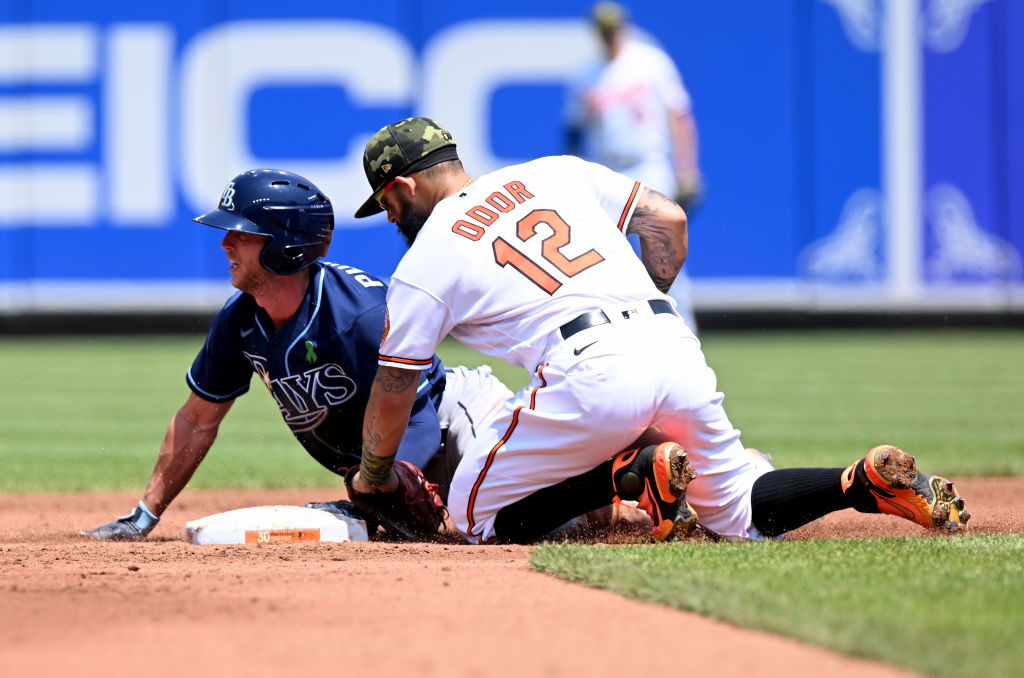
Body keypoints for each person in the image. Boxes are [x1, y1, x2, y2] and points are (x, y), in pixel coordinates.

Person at [347, 116, 970, 545]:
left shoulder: (427, 256)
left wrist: (373, 474)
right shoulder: (551, 172)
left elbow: (397, 383)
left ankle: (630, 474)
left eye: (387, 203)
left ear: (401, 185)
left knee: (472, 510)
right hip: (672, 344)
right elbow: (667, 218)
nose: (391, 217)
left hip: (587, 369)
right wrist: (645, 308)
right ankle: (857, 483)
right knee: (742, 510)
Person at [80, 169, 449, 541]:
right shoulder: (239, 320)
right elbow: (196, 421)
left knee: (501, 526)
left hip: (453, 430)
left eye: (241, 233)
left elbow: (419, 418)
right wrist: (144, 515)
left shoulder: (358, 317)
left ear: (286, 246)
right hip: (385, 473)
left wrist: (376, 489)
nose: (225, 243)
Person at [565, 1, 703, 331]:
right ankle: (627, 336)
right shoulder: (586, 74)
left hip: (649, 166)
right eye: (604, 29)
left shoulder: (650, 62)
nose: (610, 34)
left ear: (623, 27)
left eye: (614, 27)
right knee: (608, 260)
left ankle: (685, 333)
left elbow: (679, 116)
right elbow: (573, 131)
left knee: (663, 252)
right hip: (607, 172)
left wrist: (687, 169)